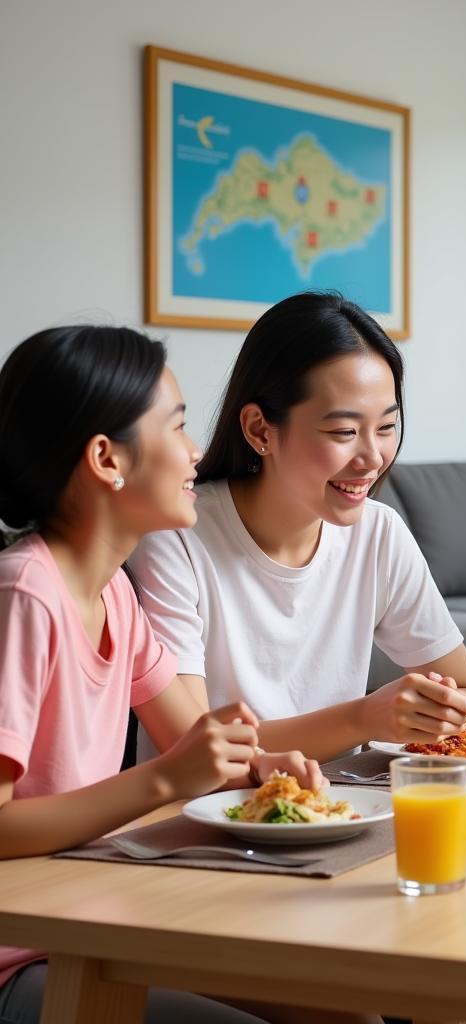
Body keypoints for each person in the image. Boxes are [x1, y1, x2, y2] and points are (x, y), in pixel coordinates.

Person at [0, 325, 362, 1024]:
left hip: (96, 913)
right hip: (26, 952)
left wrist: (261, 766)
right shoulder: (24, 597)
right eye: (177, 425)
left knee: (341, 1013)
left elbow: (192, 740)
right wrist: (167, 779)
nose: (196, 450)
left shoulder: (113, 595)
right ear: (107, 459)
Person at [128, 292, 466, 764]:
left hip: (345, 808)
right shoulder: (176, 538)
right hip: (209, 819)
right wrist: (363, 719)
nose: (373, 458)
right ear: (260, 430)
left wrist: (438, 710)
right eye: (344, 432)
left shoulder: (379, 533)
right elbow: (193, 749)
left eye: (386, 427)